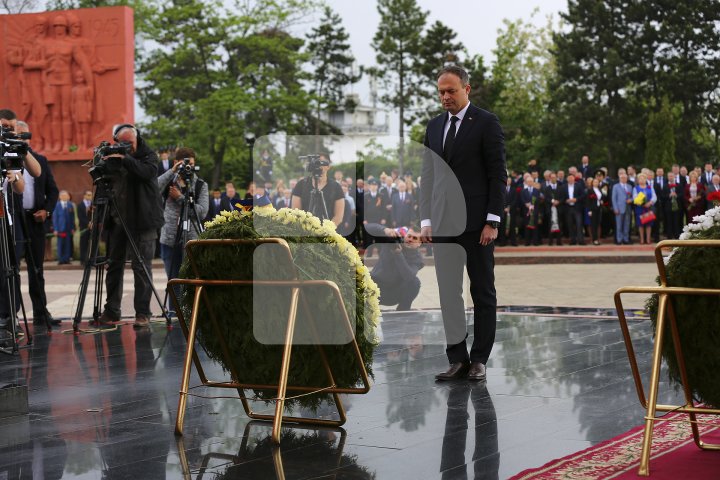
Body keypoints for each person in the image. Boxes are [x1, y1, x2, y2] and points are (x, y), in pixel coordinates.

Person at [419, 65, 507, 382]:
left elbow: (498, 174)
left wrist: (492, 221)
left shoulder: (486, 123)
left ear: (466, 89)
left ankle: (480, 359)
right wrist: (426, 218)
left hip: (477, 226)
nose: (445, 96)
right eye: (441, 91)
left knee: (482, 292)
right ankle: (457, 358)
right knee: (448, 293)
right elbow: (427, 176)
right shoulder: (433, 127)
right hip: (443, 225)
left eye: (451, 91)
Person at [96, 124, 164, 329]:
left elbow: (146, 173)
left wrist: (125, 158)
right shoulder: (114, 156)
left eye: (130, 143)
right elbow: (103, 181)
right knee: (114, 265)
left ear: (137, 139)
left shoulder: (149, 156)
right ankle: (111, 310)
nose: (127, 147)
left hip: (143, 222)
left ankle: (143, 313)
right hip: (118, 220)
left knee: (141, 267)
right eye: (122, 143)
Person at [3, 115, 57, 326]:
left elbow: (52, 190)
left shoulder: (39, 159)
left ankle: (41, 312)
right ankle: (11, 314)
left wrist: (47, 211)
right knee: (12, 267)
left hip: (35, 219)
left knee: (37, 270)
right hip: (14, 217)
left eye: (21, 137)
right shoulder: (5, 155)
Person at [157, 147, 209, 313]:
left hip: (191, 240)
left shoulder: (200, 185)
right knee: (174, 281)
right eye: (184, 164)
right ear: (175, 163)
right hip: (170, 239)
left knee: (191, 279)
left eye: (191, 164)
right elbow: (152, 189)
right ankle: (174, 313)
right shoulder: (169, 182)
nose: (189, 167)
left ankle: (192, 315)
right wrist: (171, 172)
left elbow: (202, 211)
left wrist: (180, 198)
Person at [364, 223, 424, 311]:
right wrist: (385, 230)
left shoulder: (417, 258)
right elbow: (367, 227)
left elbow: (409, 276)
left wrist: (398, 254)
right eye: (409, 236)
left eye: (414, 238)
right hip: (376, 288)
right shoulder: (392, 241)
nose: (410, 240)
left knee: (415, 283)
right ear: (405, 235)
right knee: (361, 278)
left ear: (419, 243)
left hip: (395, 293)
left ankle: (403, 310)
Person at [291, 157, 344, 225]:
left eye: (321, 162)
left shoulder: (336, 187)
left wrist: (325, 230)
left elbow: (338, 217)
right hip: (305, 231)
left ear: (328, 167)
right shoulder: (301, 185)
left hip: (329, 232)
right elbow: (296, 212)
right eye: (316, 162)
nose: (318, 165)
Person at [559, 173, 586, 245]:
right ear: (567, 179)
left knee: (579, 224)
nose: (570, 180)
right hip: (568, 208)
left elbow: (583, 195)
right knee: (570, 225)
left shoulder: (579, 186)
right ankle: (573, 240)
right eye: (569, 178)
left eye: (572, 178)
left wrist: (576, 199)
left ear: (574, 179)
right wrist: (565, 200)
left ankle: (581, 240)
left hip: (577, 208)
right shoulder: (563, 187)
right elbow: (561, 197)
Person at [52, 190, 75, 264]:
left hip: (68, 228)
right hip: (60, 229)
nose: (65, 197)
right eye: (63, 195)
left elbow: (72, 218)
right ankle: (61, 259)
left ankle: (67, 259)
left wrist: (72, 228)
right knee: (60, 244)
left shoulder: (70, 205)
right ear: (60, 197)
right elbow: (55, 218)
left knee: (68, 244)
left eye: (66, 195)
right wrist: (55, 229)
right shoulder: (57, 205)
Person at [633, 173, 657, 244]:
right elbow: (635, 198)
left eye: (643, 178)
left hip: (648, 208)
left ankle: (648, 239)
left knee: (648, 224)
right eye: (640, 179)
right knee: (641, 224)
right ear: (638, 180)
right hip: (640, 208)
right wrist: (642, 203)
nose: (642, 180)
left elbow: (654, 197)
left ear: (645, 179)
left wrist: (650, 203)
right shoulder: (636, 188)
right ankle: (642, 239)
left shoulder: (650, 187)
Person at [612, 169, 633, 245]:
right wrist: (615, 208)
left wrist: (631, 200)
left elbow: (632, 196)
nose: (624, 179)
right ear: (620, 179)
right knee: (619, 225)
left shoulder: (630, 186)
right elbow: (614, 199)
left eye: (625, 178)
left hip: (628, 208)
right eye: (622, 178)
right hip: (619, 208)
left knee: (626, 225)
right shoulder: (615, 187)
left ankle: (626, 239)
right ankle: (619, 239)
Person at [77, 190, 92, 265]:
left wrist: (92, 222)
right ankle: (83, 260)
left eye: (91, 195)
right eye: (88, 195)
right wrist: (87, 223)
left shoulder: (94, 204)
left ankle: (93, 260)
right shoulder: (80, 205)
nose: (90, 196)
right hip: (84, 227)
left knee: (93, 244)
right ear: (84, 195)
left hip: (93, 227)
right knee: (83, 244)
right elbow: (80, 217)